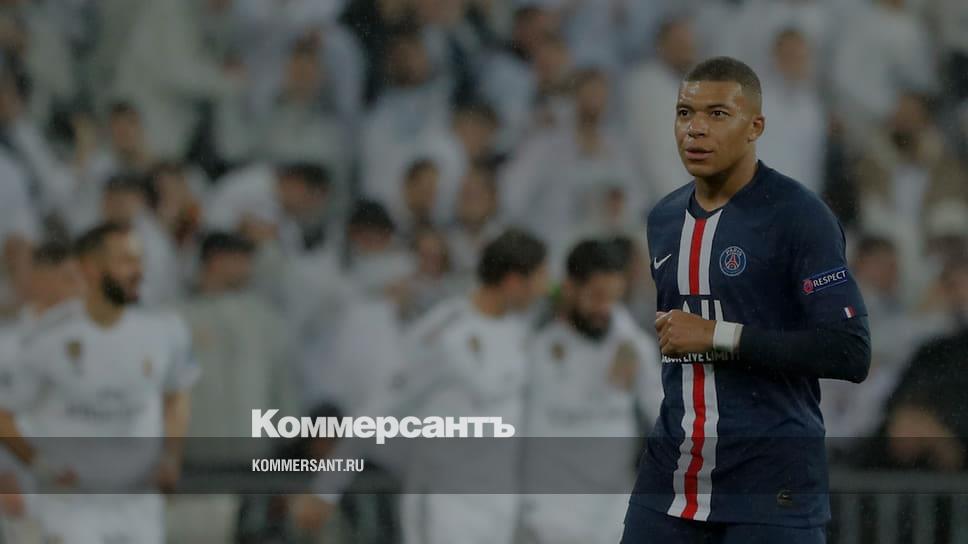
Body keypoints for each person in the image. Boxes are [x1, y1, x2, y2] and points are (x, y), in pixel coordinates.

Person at [621, 57, 871, 543]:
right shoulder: (663, 219)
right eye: (685, 113)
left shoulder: (799, 216)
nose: (695, 128)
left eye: (717, 114)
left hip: (771, 484)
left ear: (755, 126)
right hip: (671, 479)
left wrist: (721, 337)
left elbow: (850, 350)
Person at [302, 228, 549, 544]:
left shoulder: (521, 334)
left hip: (499, 505)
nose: (545, 288)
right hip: (443, 504)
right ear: (514, 281)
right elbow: (381, 405)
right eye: (541, 277)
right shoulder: (444, 333)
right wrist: (327, 488)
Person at [0, 222, 199, 544]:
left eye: (139, 260)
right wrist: (39, 464)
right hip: (72, 504)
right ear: (91, 268)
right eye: (126, 261)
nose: (138, 271)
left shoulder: (164, 330)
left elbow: (178, 394)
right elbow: (4, 415)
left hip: (139, 501)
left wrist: (171, 457)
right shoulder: (47, 338)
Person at [521, 239, 663, 544]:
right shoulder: (538, 349)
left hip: (615, 511)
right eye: (597, 296)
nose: (605, 308)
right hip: (552, 513)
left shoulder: (633, 346)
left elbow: (662, 413)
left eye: (613, 297)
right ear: (570, 288)